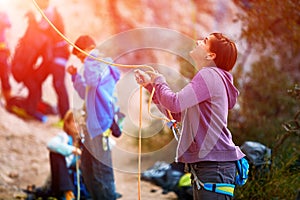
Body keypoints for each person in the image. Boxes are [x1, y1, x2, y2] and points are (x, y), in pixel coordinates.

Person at [134, 32, 245, 200]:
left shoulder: (209, 75)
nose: (198, 41)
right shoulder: (212, 78)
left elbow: (175, 103)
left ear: (210, 55)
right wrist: (151, 86)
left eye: (205, 41)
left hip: (213, 167)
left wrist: (159, 81)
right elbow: (177, 114)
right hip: (210, 167)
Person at [67, 35, 121, 200]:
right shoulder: (93, 66)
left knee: (101, 171)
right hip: (90, 126)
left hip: (100, 124)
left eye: (81, 56)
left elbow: (93, 79)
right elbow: (87, 93)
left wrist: (91, 56)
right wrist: (76, 77)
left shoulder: (101, 65)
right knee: (88, 169)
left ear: (89, 48)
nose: (82, 61)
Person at [34, 0, 70, 123]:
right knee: (37, 78)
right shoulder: (49, 11)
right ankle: (37, 106)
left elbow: (41, 29)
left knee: (58, 84)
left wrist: (32, 19)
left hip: (59, 54)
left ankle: (65, 119)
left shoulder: (49, 13)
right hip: (51, 56)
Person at [47, 110, 82, 200]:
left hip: (79, 182)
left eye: (80, 123)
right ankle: (67, 192)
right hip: (60, 182)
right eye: (75, 122)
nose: (78, 125)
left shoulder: (84, 141)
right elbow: (51, 144)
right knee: (56, 154)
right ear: (67, 124)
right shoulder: (63, 137)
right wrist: (73, 150)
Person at [0, 11, 12, 104]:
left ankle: (9, 101)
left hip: (2, 51)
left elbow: (8, 24)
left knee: (4, 77)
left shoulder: (3, 13)